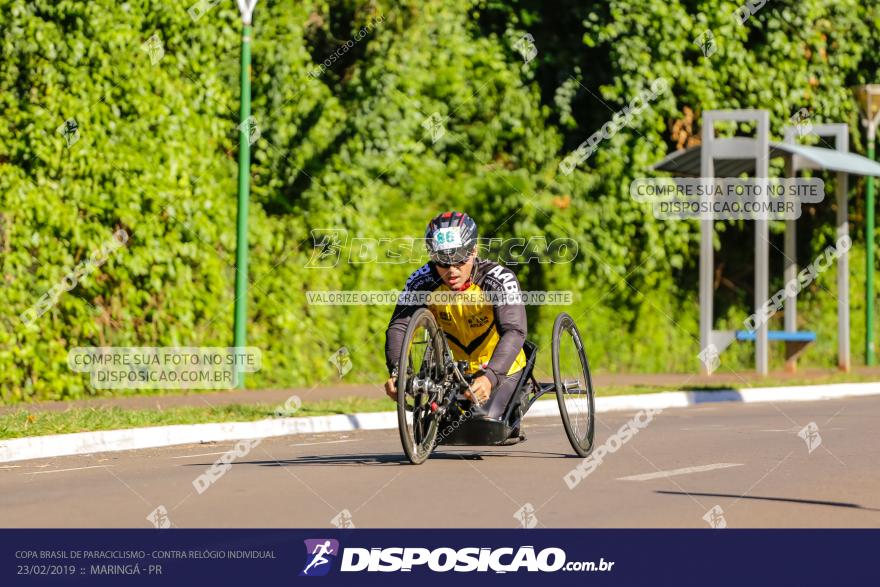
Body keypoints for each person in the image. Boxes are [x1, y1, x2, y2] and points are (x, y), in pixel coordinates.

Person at [384, 211, 527, 421]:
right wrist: (397, 372)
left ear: (474, 250)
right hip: (452, 372)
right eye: (442, 261)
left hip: (498, 366)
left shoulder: (498, 279)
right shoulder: (422, 281)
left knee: (483, 424)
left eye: (459, 260)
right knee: (433, 425)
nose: (452, 271)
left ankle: (516, 398)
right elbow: (400, 327)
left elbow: (514, 330)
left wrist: (490, 377)